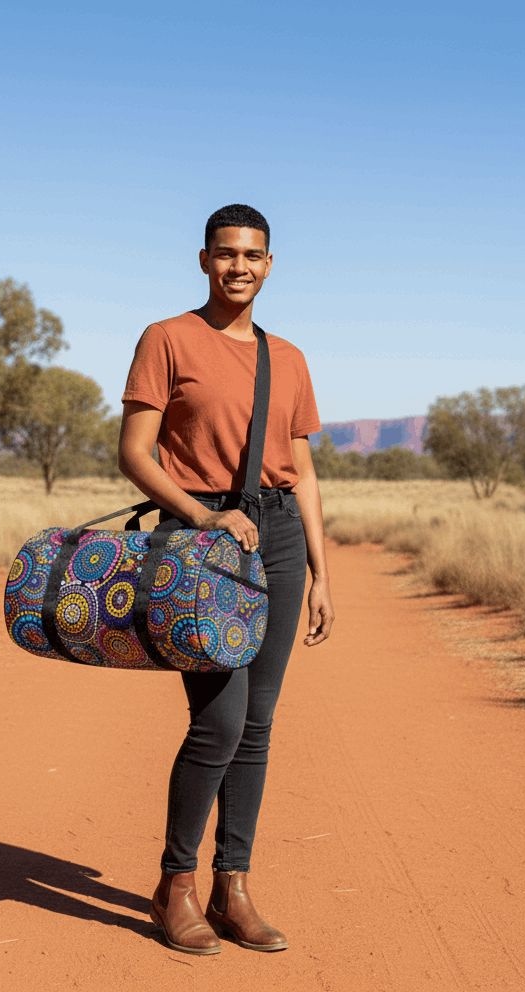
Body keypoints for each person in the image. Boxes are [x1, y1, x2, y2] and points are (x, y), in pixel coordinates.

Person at [118, 204, 335, 955]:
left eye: (253, 255)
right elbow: (136, 454)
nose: (239, 266)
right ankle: (175, 885)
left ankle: (232, 885)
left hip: (274, 537)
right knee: (218, 720)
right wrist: (204, 519)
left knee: (259, 722)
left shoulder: (292, 359)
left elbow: (302, 471)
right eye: (226, 253)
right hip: (199, 540)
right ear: (204, 260)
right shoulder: (168, 339)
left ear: (270, 264)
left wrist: (318, 570)